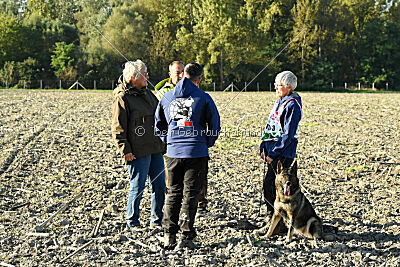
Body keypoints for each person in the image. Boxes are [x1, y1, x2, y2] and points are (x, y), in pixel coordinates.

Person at [155, 63, 220, 249]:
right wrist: (207, 142)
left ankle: (169, 235)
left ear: (183, 75)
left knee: (173, 193)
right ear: (199, 79)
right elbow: (215, 125)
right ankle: (186, 235)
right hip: (196, 153)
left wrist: (170, 142)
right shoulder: (203, 97)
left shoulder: (166, 97)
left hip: (173, 154)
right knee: (191, 195)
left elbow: (158, 126)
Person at [112, 60, 166, 229]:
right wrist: (125, 150)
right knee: (138, 186)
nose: (148, 76)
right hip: (137, 152)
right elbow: (118, 128)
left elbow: (160, 117)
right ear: (134, 77)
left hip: (155, 148)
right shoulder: (123, 98)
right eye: (145, 73)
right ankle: (132, 221)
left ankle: (157, 220)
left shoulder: (149, 94)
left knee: (159, 186)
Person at [155, 61, 209, 213]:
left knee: (198, 177)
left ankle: (200, 203)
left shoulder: (194, 90)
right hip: (173, 144)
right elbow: (159, 121)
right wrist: (167, 140)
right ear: (169, 74)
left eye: (181, 72)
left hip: (194, 142)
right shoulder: (162, 94)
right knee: (172, 180)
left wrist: (205, 140)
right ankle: (173, 206)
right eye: (176, 72)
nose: (180, 75)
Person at [257, 70, 303, 235]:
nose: (276, 87)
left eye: (280, 85)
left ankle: (277, 224)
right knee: (269, 186)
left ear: (289, 87)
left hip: (282, 154)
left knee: (274, 187)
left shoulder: (292, 105)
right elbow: (271, 127)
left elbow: (287, 135)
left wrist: (273, 153)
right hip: (272, 152)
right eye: (275, 84)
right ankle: (274, 221)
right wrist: (263, 146)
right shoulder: (280, 102)